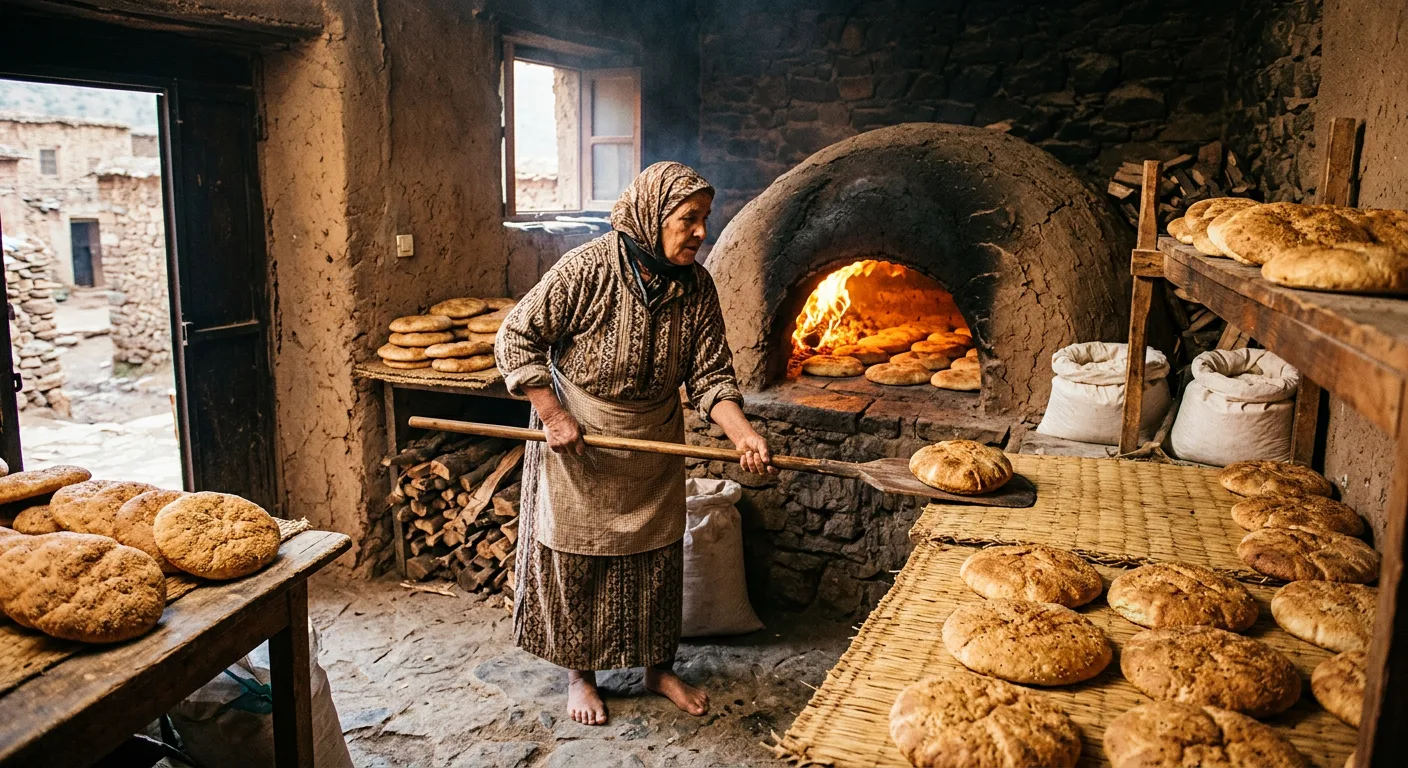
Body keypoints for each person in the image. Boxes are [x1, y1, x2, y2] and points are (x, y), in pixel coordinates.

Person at [495, 162, 774, 726]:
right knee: (578, 555)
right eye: (688, 219)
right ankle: (581, 676)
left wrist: (743, 433)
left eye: (705, 219)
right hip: (580, 438)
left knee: (657, 558)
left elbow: (710, 376)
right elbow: (516, 336)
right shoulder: (588, 269)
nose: (701, 232)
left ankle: (657, 669)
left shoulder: (697, 287)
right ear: (652, 216)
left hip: (652, 440)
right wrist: (552, 414)